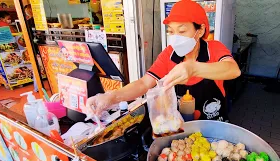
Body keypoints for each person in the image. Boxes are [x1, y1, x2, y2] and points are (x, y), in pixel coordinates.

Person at [86, 0, 241, 122]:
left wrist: (193, 67)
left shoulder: (214, 48)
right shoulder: (169, 55)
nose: (175, 37)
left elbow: (233, 69)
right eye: (171, 31)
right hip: (182, 127)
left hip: (214, 125)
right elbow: (144, 83)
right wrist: (111, 97)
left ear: (200, 31)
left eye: (182, 31)